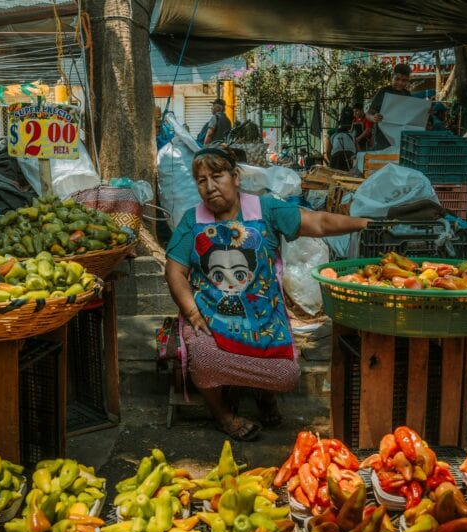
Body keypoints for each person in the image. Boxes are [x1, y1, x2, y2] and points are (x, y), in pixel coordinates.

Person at [164, 147, 373, 441]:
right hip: (209, 315)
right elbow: (174, 272)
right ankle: (223, 416)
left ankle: (264, 394)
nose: (209, 187)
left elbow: (318, 222)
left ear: (235, 177)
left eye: (217, 176)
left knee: (286, 376)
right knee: (206, 360)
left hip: (261, 316)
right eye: (201, 180)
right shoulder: (192, 220)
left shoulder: (266, 210)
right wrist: (192, 312)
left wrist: (364, 224)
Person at [367, 63, 413, 150]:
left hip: (402, 139)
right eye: (397, 79)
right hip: (383, 140)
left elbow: (412, 114)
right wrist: (373, 117)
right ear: (392, 77)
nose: (400, 83)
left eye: (404, 80)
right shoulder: (383, 92)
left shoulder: (407, 94)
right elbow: (368, 114)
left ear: (408, 81)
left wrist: (424, 112)